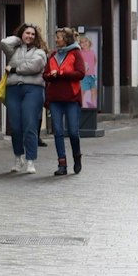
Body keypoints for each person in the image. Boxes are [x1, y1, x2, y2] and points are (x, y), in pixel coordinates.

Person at [0, 23, 48, 174]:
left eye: (33, 34)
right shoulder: (13, 50)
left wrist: (14, 69)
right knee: (15, 126)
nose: (30, 36)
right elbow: (4, 42)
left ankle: (30, 160)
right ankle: (17, 157)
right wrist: (18, 39)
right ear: (22, 34)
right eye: (27, 33)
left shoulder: (40, 52)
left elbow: (34, 67)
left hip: (33, 90)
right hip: (13, 89)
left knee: (29, 124)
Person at [44, 28, 85, 176]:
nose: (56, 40)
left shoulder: (76, 53)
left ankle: (77, 157)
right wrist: (50, 75)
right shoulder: (54, 55)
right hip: (55, 98)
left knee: (73, 132)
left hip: (71, 98)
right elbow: (45, 74)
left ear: (66, 39)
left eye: (59, 37)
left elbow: (80, 73)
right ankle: (62, 164)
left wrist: (61, 73)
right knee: (58, 132)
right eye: (56, 37)